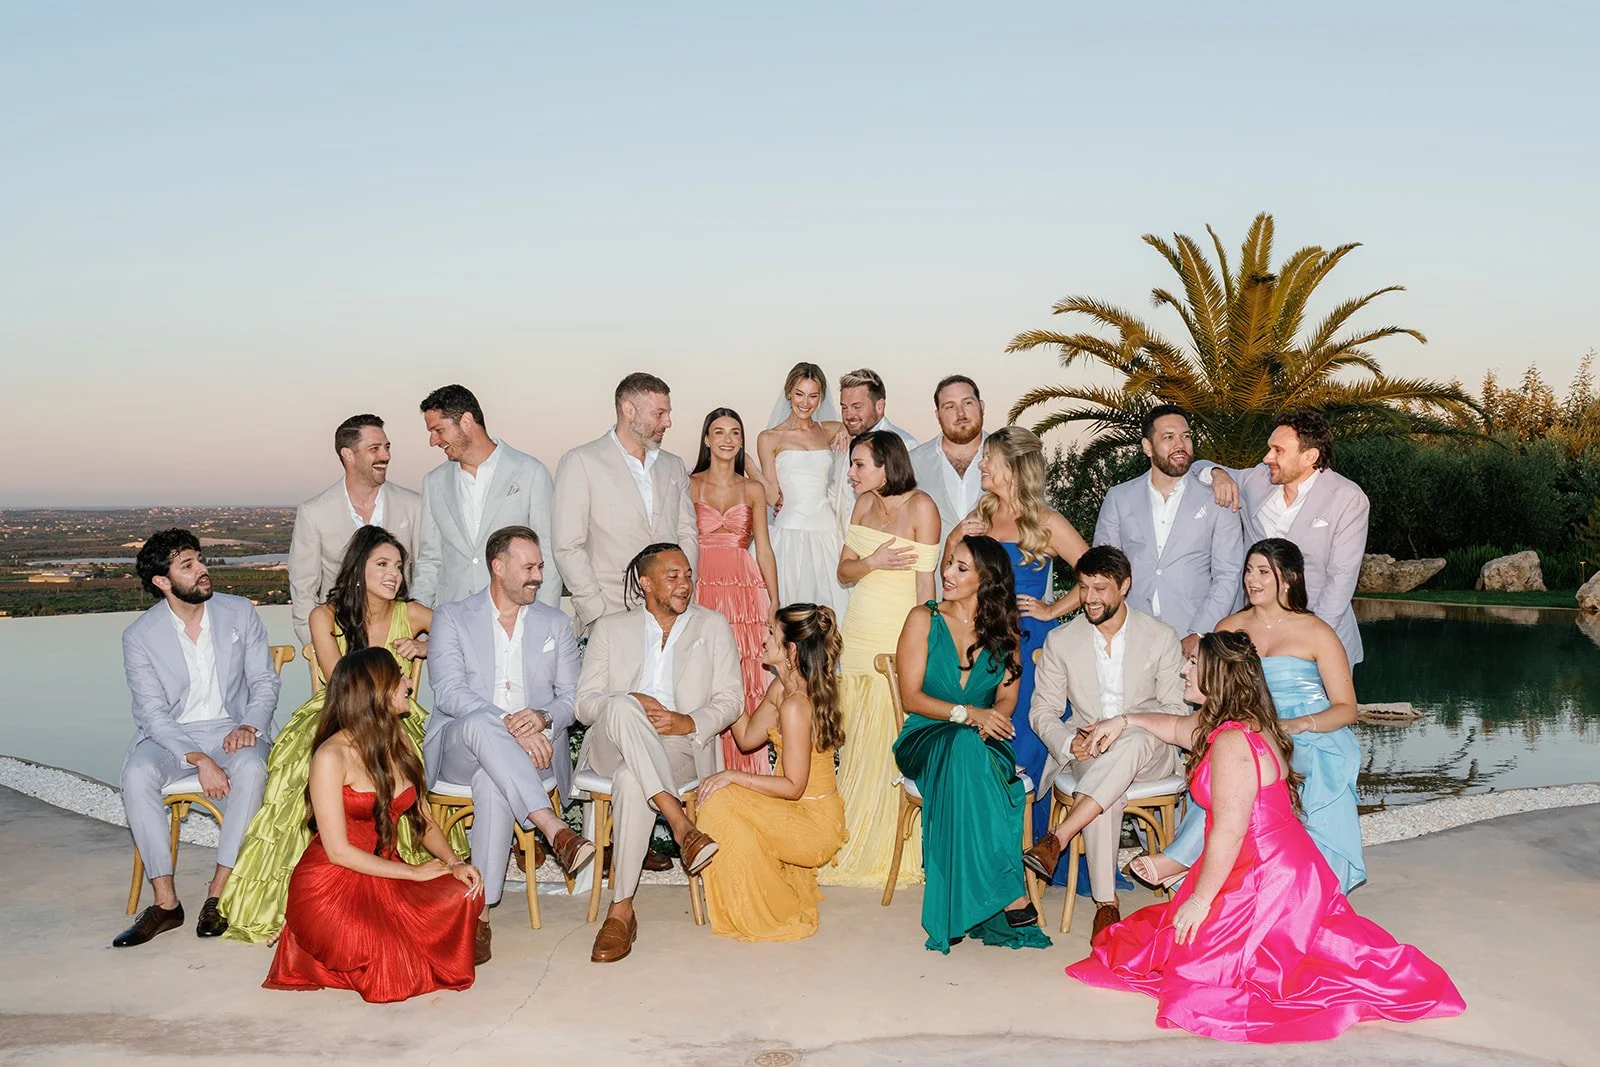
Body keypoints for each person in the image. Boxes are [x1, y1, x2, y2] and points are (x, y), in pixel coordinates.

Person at [1067, 632, 1464, 1043]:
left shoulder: (1233, 741)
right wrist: (1125, 720)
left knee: (1198, 977)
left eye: (1192, 665)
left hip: (1267, 873)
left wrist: (1201, 900)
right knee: (1169, 945)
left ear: (1217, 677)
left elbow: (1230, 829)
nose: (1183, 670)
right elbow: (1174, 727)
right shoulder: (1233, 725)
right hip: (1269, 860)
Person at [220, 526, 438, 944]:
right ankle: (299, 903)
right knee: (303, 767)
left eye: (398, 566)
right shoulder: (324, 616)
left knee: (414, 759)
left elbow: (464, 634)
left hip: (397, 714)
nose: (394, 574)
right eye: (382, 564)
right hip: (339, 712)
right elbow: (343, 686)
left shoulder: (411, 613)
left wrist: (426, 647)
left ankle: (398, 873)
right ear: (358, 569)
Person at [1124, 538, 1365, 893]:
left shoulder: (1318, 632)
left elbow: (1347, 708)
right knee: (1235, 758)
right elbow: (1212, 694)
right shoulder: (1228, 627)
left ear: (1289, 579)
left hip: (1310, 730)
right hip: (1246, 726)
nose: (1252, 579)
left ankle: (1310, 887)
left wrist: (1299, 724)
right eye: (1249, 570)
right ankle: (1191, 862)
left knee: (1302, 759)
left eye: (1264, 572)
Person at [263, 648, 485, 1003]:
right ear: (375, 689)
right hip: (329, 884)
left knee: (465, 890)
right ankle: (307, 935)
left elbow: (424, 821)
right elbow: (337, 851)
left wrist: (455, 863)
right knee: (395, 968)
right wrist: (415, 874)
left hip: (385, 872)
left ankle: (349, 937)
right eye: (400, 676)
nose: (410, 682)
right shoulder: (330, 756)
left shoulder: (398, 740)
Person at [427, 525, 597, 963]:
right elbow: (447, 692)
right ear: (498, 567)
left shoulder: (555, 623)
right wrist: (510, 725)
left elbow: (572, 700)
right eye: (529, 567)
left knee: (492, 780)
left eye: (540, 566)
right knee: (484, 729)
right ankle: (553, 828)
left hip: (532, 754)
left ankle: (479, 914)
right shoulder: (452, 616)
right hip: (460, 747)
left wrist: (542, 719)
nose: (538, 576)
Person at [575, 543, 742, 963]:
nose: (684, 583)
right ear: (646, 583)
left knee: (633, 780)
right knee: (618, 704)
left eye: (688, 575)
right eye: (673, 576)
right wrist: (628, 701)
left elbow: (731, 699)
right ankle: (681, 825)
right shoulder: (611, 628)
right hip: (612, 742)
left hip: (676, 745)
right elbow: (584, 703)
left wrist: (687, 721)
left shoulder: (713, 625)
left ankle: (621, 912)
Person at [113, 529, 280, 947]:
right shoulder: (139, 636)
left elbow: (264, 682)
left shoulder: (239, 612)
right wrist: (197, 759)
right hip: (172, 736)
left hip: (234, 727)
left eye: (200, 559)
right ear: (162, 583)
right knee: (136, 774)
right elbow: (151, 713)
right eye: (188, 565)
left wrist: (249, 726)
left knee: (254, 769)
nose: (202, 569)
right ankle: (166, 903)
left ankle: (218, 894)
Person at [892, 535, 1051, 953]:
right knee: (962, 748)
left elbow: (1007, 698)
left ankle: (958, 905)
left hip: (984, 739)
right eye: (948, 564)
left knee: (968, 751)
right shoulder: (922, 619)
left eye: (961, 568)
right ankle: (1010, 889)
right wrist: (967, 714)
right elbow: (912, 698)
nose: (947, 574)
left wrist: (988, 716)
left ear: (986, 579)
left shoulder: (1007, 631)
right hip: (925, 735)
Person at [1019, 546, 1185, 939]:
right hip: (1088, 751)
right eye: (1083, 588)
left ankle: (1057, 838)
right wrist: (1065, 744)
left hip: (1151, 749)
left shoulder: (1161, 636)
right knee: (1108, 788)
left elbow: (1176, 709)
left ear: (1124, 587)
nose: (1090, 598)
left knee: (1132, 743)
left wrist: (1123, 725)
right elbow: (1042, 710)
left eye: (1100, 588)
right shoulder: (1062, 641)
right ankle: (1106, 905)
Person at [948, 425, 1089, 835]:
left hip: (1028, 648)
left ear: (1014, 467)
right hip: (978, 642)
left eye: (990, 458)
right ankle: (985, 845)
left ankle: (1031, 843)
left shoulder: (1045, 521)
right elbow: (948, 572)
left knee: (1024, 739)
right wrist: (959, 534)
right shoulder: (983, 515)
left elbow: (1096, 577)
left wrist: (1051, 610)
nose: (983, 465)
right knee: (980, 735)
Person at [818, 430, 940, 887]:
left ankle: (895, 843)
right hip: (860, 630)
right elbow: (843, 570)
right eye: (852, 465)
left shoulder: (922, 507)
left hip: (899, 630)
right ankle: (852, 836)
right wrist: (873, 562)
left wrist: (925, 641)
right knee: (856, 738)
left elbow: (925, 585)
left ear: (886, 465)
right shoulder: (864, 504)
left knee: (892, 732)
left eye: (859, 465)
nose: (850, 474)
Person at [695, 604, 848, 941]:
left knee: (719, 799)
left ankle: (763, 910)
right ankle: (759, 892)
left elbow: (794, 787)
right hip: (793, 810)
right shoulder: (782, 690)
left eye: (770, 634)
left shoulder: (796, 704)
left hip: (813, 825)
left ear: (790, 650)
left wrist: (732, 776)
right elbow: (748, 736)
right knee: (719, 798)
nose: (762, 639)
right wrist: (727, 681)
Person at [1194, 410, 1369, 665]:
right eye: (1269, 449)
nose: (1267, 458)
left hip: (1321, 639)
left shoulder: (1347, 498)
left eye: (1278, 450)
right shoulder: (1256, 480)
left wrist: (1309, 641)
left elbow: (1340, 581)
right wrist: (1218, 473)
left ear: (1310, 456)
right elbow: (1197, 467)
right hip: (1254, 642)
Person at [553, 372, 699, 635]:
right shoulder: (581, 462)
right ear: (628, 410)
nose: (668, 422)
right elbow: (567, 545)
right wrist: (595, 611)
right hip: (610, 615)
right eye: (659, 413)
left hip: (671, 618)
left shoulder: (674, 466)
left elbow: (687, 533)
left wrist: (682, 593)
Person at [1094, 404, 1244, 659]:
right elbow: (1105, 570)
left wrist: (1199, 633)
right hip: (1132, 635)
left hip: (1196, 639)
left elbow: (1228, 574)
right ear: (1147, 447)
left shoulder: (1218, 498)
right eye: (1168, 437)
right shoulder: (1119, 498)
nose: (1180, 444)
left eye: (1186, 436)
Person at [689, 407, 781, 774]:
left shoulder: (753, 488)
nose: (728, 440)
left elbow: (765, 548)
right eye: (720, 432)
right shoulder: (689, 483)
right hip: (701, 586)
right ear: (707, 439)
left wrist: (774, 600)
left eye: (735, 433)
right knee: (703, 675)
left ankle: (746, 779)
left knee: (746, 675)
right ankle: (703, 774)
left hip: (745, 590)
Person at [412, 384, 561, 610]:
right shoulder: (433, 482)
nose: (433, 441)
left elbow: (548, 552)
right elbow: (430, 559)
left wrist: (545, 620)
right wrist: (415, 618)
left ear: (466, 422)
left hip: (515, 616)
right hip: (453, 620)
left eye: (438, 430)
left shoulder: (531, 473)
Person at [288, 414, 422, 645]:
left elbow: (426, 572)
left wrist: (418, 634)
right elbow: (303, 589)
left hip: (399, 643)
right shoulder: (314, 512)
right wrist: (316, 646)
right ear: (348, 454)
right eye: (375, 448)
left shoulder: (414, 505)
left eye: (387, 447)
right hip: (338, 642)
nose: (386, 456)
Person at [755, 362, 849, 615]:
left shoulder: (830, 429)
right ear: (789, 393)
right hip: (789, 533)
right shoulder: (769, 438)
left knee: (833, 611)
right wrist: (748, 467)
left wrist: (843, 431)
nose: (805, 403)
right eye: (799, 394)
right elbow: (772, 495)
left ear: (821, 398)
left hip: (828, 532)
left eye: (813, 396)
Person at [830, 368, 918, 540]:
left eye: (857, 407)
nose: (848, 415)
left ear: (879, 406)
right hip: (842, 553)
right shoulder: (842, 442)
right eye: (844, 407)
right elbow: (835, 497)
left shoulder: (905, 445)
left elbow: (911, 508)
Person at [910, 375, 987, 544]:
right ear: (938, 415)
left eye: (967, 403)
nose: (960, 413)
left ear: (981, 406)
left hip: (997, 569)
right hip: (933, 570)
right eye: (950, 406)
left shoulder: (1010, 458)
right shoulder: (913, 464)